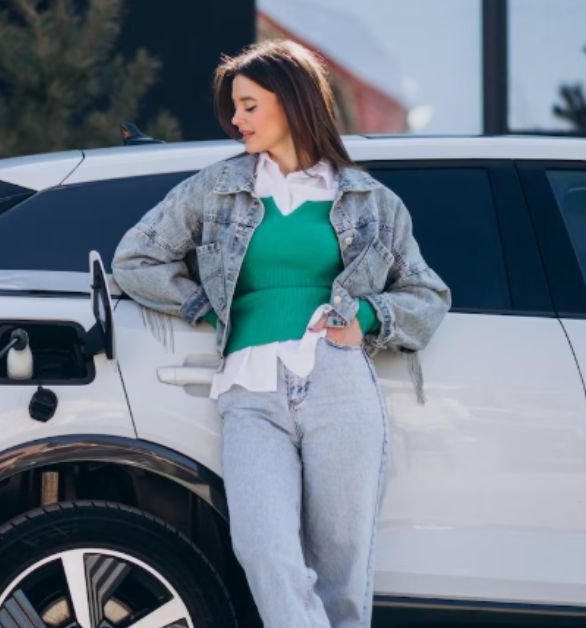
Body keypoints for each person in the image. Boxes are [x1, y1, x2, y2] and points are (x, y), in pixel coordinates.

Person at [111, 40, 451, 627]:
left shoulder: (369, 200)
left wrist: (365, 321)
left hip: (338, 384)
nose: (236, 121)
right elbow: (135, 258)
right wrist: (207, 305)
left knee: (342, 564)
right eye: (235, 109)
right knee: (265, 550)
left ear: (292, 103)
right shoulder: (216, 187)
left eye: (248, 106)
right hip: (250, 391)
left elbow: (427, 294)